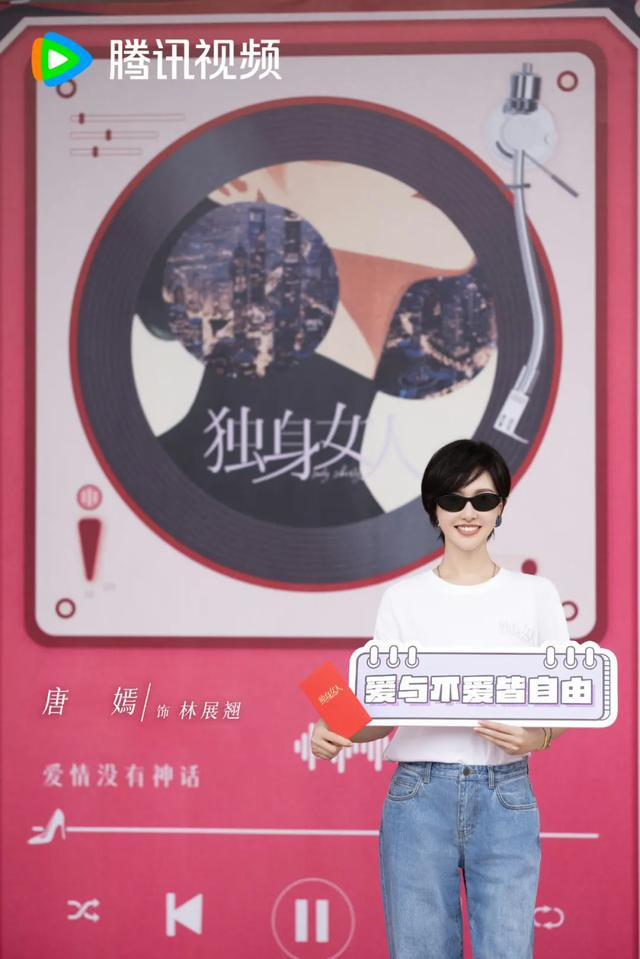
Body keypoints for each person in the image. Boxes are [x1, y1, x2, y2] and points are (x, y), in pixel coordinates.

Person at [311, 438, 570, 958]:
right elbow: (385, 712)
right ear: (434, 508)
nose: (468, 513)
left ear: (501, 507)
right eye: (453, 500)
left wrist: (538, 736)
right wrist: (337, 727)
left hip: (506, 792)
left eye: (483, 499)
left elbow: (568, 699)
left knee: (508, 950)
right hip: (418, 796)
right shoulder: (403, 599)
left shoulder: (536, 595)